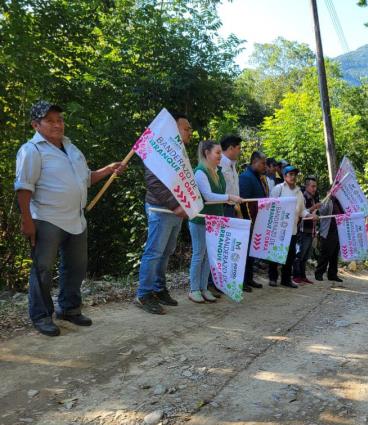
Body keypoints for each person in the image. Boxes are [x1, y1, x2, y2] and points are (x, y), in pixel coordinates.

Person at [14, 101, 127, 336]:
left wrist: (108, 169)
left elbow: (86, 178)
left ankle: (69, 309)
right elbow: (24, 188)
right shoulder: (31, 150)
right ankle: (42, 315)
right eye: (50, 120)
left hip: (76, 219)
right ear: (36, 125)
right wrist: (27, 221)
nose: (58, 124)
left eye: (60, 120)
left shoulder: (72, 148)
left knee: (76, 267)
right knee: (42, 269)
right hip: (46, 219)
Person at [134, 113, 193, 315]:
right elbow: (153, 182)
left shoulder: (179, 152)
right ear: (173, 129)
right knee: (154, 252)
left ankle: (159, 289)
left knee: (166, 252)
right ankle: (144, 294)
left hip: (175, 211)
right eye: (187, 128)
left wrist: (185, 205)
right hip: (160, 209)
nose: (190, 133)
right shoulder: (158, 149)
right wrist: (175, 205)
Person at [188, 140, 243, 303]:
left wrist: (232, 199)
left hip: (215, 220)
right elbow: (209, 196)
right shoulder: (200, 172)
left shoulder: (217, 171)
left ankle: (204, 288)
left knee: (209, 256)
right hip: (200, 219)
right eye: (217, 153)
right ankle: (193, 289)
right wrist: (229, 198)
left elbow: (222, 194)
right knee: (199, 254)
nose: (221, 156)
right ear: (207, 153)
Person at [268, 165, 314, 288]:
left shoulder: (299, 192)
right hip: (278, 228)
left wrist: (310, 215)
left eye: (295, 175)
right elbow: (270, 206)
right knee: (275, 253)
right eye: (290, 174)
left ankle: (286, 279)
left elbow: (302, 211)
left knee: (290, 255)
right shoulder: (278, 189)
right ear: (284, 176)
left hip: (292, 229)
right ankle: (273, 278)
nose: (293, 177)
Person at [238, 151, 268, 292]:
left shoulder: (258, 177)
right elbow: (243, 202)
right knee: (244, 252)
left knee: (251, 252)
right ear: (254, 161)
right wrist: (247, 221)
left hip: (258, 220)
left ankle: (249, 278)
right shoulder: (245, 177)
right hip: (248, 220)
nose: (265, 166)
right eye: (263, 163)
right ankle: (242, 281)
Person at [293, 175, 320, 284]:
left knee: (305, 256)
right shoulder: (302, 197)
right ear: (307, 186)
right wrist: (314, 208)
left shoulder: (313, 198)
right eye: (312, 186)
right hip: (302, 230)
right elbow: (301, 212)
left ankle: (303, 275)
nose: (314, 189)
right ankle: (296, 276)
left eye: (315, 186)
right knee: (299, 254)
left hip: (311, 230)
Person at [315, 195, 344, 283]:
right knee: (325, 253)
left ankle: (332, 274)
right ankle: (319, 273)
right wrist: (327, 199)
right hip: (328, 231)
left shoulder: (341, 201)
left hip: (338, 230)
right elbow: (322, 212)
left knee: (334, 254)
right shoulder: (328, 200)